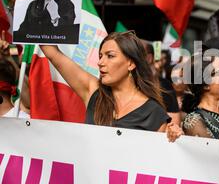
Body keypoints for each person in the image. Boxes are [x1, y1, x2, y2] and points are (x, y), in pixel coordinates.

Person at [39, 31, 170, 132]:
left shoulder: (154, 113)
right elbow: (52, 53)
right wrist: (21, 1)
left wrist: (174, 138)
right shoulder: (94, 92)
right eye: (100, 56)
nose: (100, 62)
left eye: (110, 56)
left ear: (131, 63)